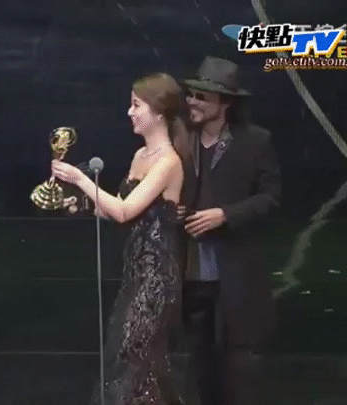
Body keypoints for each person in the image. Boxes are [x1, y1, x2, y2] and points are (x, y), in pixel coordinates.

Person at [51, 72, 190, 405]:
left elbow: (126, 211)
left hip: (156, 279)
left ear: (158, 111)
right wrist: (81, 205)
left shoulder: (168, 162)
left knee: (134, 360)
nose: (130, 112)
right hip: (134, 275)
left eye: (136, 105)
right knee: (137, 362)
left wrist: (81, 179)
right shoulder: (141, 156)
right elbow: (117, 208)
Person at [176, 56, 281, 405]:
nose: (192, 102)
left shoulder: (256, 141)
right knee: (200, 359)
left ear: (225, 103)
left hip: (235, 268)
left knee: (238, 360)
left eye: (202, 97)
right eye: (191, 94)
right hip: (191, 268)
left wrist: (226, 214)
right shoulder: (180, 138)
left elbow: (270, 198)